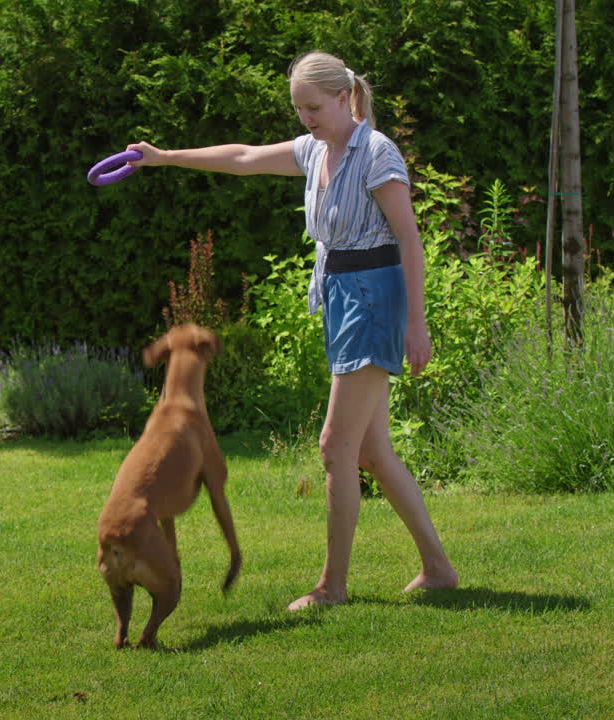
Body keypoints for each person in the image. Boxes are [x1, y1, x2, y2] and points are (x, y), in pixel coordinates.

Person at [126, 51, 459, 610]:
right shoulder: (314, 151)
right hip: (341, 297)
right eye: (298, 109)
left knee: (336, 448)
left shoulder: (376, 152)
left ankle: (331, 588)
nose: (305, 118)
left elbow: (409, 239)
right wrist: (163, 158)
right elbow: (244, 156)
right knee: (372, 451)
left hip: (375, 300)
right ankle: (438, 569)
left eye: (313, 106)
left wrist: (417, 322)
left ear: (342, 98)